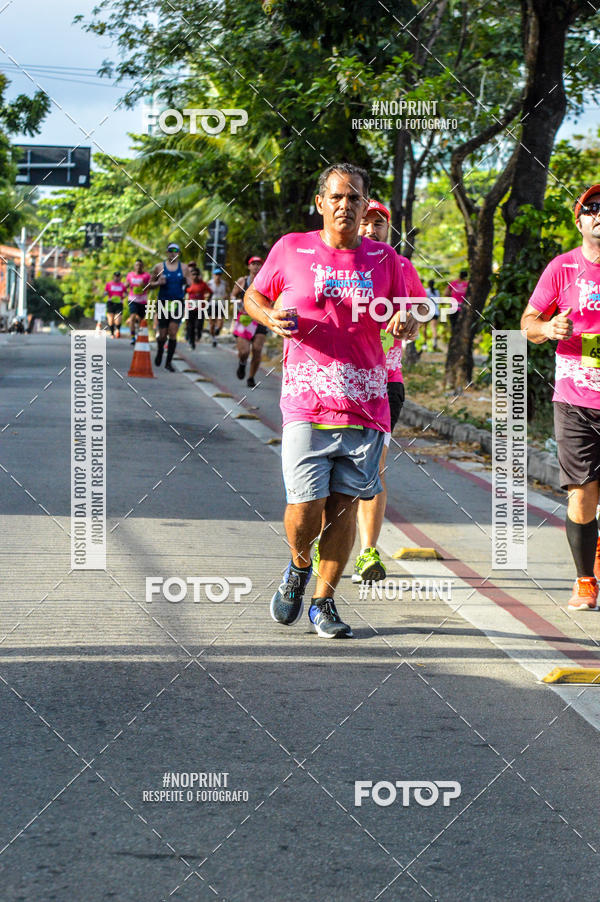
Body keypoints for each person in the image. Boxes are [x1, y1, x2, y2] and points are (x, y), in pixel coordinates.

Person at [244, 163, 418, 638]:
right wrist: (268, 317)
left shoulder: (387, 260)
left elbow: (412, 311)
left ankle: (324, 602)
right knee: (306, 506)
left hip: (366, 403)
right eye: (337, 197)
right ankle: (299, 565)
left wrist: (406, 322)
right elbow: (254, 296)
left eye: (354, 197)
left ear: (365, 205)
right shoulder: (291, 247)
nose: (346, 205)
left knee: (342, 509)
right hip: (306, 403)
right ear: (321, 203)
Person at [521, 184, 600, 611]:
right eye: (592, 208)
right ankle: (585, 578)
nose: (599, 214)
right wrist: (549, 330)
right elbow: (527, 322)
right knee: (583, 492)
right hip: (575, 400)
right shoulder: (563, 267)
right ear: (580, 220)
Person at [149, 243, 193, 372]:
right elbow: (149, 284)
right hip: (163, 302)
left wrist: (188, 282)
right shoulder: (159, 267)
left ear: (178, 253)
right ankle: (160, 351)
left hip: (177, 303)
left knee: (172, 332)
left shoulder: (184, 268)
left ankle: (168, 361)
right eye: (170, 251)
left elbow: (190, 284)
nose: (173, 253)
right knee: (162, 335)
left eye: (175, 251)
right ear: (167, 252)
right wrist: (158, 283)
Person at [231, 256, 266, 388]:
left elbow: (272, 298)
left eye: (258, 264)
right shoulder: (242, 281)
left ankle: (251, 377)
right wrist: (237, 303)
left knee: (257, 349)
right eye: (253, 264)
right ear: (249, 266)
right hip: (245, 319)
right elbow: (233, 295)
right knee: (244, 351)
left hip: (260, 319)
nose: (256, 266)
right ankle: (242, 363)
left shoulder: (266, 281)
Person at [185, 266, 212, 349]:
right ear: (190, 276)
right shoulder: (188, 284)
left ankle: (199, 334)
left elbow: (211, 292)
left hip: (200, 309)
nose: (195, 276)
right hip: (190, 309)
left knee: (199, 325)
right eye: (193, 274)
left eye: (197, 274)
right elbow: (183, 293)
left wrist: (207, 301)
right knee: (191, 326)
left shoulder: (203, 284)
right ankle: (192, 342)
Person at [126, 259, 151, 346]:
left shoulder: (146, 275)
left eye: (140, 265)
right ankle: (133, 337)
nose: (138, 267)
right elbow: (126, 284)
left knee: (141, 320)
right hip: (132, 299)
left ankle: (139, 336)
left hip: (143, 300)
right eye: (137, 265)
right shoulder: (130, 275)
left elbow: (150, 287)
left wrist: (144, 286)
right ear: (134, 266)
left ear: (142, 266)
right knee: (132, 317)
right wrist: (126, 286)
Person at [206, 266, 228, 347]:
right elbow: (205, 293)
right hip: (211, 304)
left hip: (220, 305)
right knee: (212, 324)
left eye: (219, 274)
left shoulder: (224, 284)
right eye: (216, 274)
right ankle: (213, 338)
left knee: (220, 322)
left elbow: (227, 293)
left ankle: (217, 330)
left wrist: (226, 296)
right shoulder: (209, 283)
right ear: (213, 275)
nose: (218, 276)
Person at [104, 271, 126, 338]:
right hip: (111, 303)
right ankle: (112, 333)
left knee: (118, 320)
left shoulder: (122, 285)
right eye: (116, 276)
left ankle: (118, 330)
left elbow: (126, 293)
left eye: (118, 276)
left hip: (119, 303)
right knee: (110, 320)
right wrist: (105, 293)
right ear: (113, 277)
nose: (117, 278)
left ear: (120, 277)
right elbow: (105, 292)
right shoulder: (109, 284)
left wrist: (124, 296)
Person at [424, 279, 439, 350]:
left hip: (427, 311)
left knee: (425, 328)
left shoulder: (426, 291)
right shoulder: (437, 292)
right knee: (434, 328)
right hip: (435, 311)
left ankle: (425, 343)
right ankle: (434, 343)